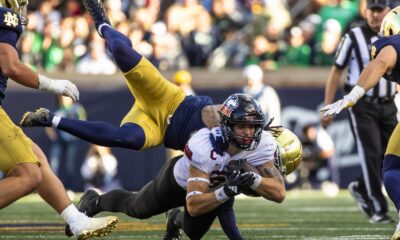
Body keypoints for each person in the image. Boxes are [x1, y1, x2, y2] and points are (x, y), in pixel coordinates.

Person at [70, 94, 286, 240]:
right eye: (243, 126)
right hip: (177, 181)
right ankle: (94, 200)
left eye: (253, 127)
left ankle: (174, 218)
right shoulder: (204, 144)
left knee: (193, 234)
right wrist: (229, 189)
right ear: (228, 125)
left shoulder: (262, 144)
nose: (249, 133)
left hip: (212, 189)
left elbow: (278, 192)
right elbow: (193, 204)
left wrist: (253, 180)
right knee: (138, 207)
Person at [19, 0, 221, 154]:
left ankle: (50, 118)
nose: (247, 134)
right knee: (119, 51)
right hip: (170, 100)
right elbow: (227, 113)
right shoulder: (234, 122)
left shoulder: (236, 154)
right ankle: (102, 24)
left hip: (161, 130)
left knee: (126, 138)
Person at [0, 0, 117, 239]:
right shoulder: (4, 16)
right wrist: (53, 84)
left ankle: (76, 221)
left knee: (38, 160)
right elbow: (10, 65)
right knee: (29, 175)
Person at [320, 6, 400, 240]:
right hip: (373, 108)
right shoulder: (354, 36)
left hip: (381, 103)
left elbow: (381, 63)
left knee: (393, 166)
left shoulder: (391, 42)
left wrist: (353, 95)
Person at [46, 95, 87, 191]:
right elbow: (47, 123)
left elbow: (83, 123)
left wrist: (77, 134)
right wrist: (51, 134)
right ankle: (52, 188)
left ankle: (70, 188)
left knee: (70, 165)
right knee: (53, 164)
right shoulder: (55, 108)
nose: (64, 99)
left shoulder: (78, 108)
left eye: (66, 97)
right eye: (62, 97)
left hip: (72, 141)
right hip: (58, 141)